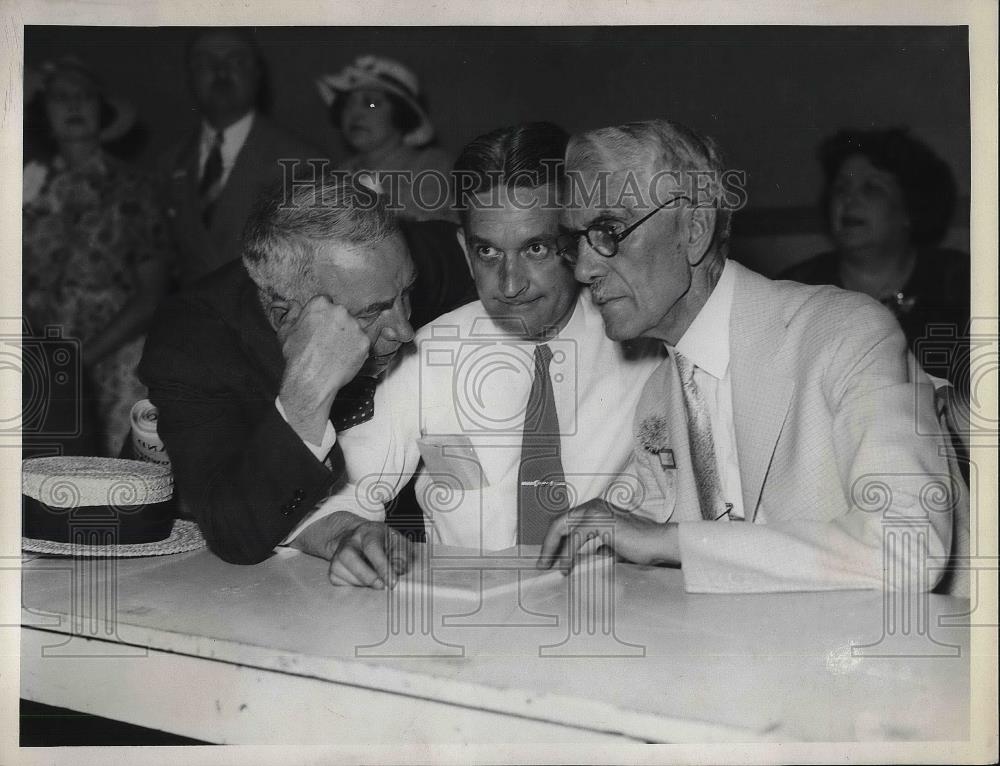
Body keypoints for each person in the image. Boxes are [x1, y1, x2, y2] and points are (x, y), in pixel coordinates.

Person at [537, 119, 962, 594]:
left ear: (695, 230)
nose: (586, 267)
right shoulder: (659, 395)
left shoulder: (847, 334)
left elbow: (909, 550)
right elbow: (627, 541)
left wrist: (670, 542)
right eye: (575, 242)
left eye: (609, 231)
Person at [286, 123, 663, 586]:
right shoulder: (425, 356)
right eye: (488, 252)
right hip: (467, 625)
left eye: (537, 248)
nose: (509, 284)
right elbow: (340, 498)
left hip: (613, 611)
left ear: (577, 240)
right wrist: (349, 536)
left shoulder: (647, 347)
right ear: (465, 250)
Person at [138, 176, 420, 571]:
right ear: (285, 316)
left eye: (408, 292)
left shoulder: (389, 268)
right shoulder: (193, 343)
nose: (405, 330)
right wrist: (305, 396)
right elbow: (235, 534)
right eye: (372, 312)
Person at [22, 56, 171, 456]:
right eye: (60, 97)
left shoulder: (135, 188)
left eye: (84, 96)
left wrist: (77, 361)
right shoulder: (24, 188)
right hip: (37, 365)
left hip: (118, 360)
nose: (73, 105)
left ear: (101, 109)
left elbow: (150, 296)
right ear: (42, 113)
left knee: (115, 481)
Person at [780, 128, 969, 392]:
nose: (848, 199)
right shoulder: (795, 290)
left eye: (872, 188)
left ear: (909, 209)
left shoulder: (963, 284)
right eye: (840, 188)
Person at [159, 28, 321, 285]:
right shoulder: (169, 163)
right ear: (189, 76)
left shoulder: (301, 161)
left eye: (235, 61)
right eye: (205, 63)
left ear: (258, 74)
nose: (221, 72)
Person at [317, 55, 456, 223]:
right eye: (347, 104)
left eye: (371, 103)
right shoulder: (338, 175)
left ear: (400, 113)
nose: (354, 114)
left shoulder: (432, 166)